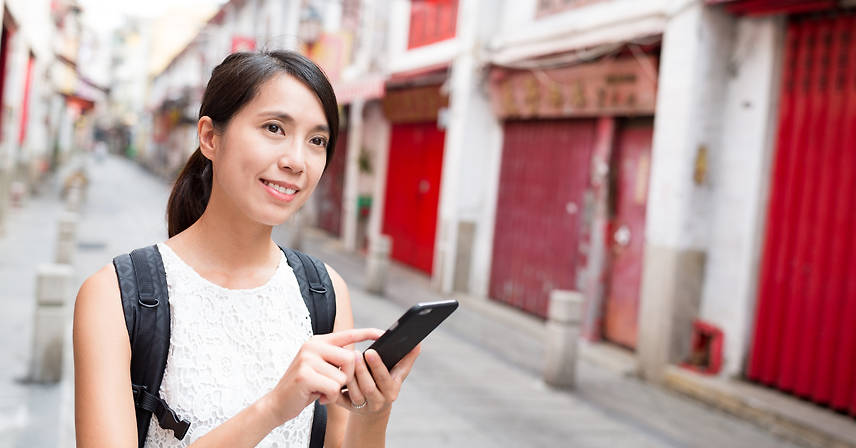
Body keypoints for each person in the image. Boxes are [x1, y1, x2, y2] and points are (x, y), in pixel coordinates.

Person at [72, 50, 420, 448]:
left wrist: (374, 415)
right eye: (274, 128)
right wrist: (272, 409)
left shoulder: (324, 292)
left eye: (317, 140)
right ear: (209, 137)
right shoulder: (116, 296)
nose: (296, 161)